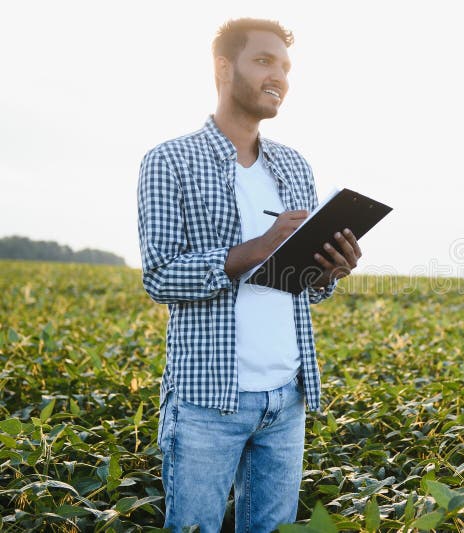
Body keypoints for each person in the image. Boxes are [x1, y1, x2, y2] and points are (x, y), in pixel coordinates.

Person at [136, 18, 360, 532]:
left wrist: (330, 269)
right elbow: (161, 277)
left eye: (284, 66)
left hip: (287, 397)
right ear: (222, 67)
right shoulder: (170, 161)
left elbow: (303, 286)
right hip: (206, 402)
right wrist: (256, 249)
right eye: (263, 61)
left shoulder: (294, 167)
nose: (278, 76)